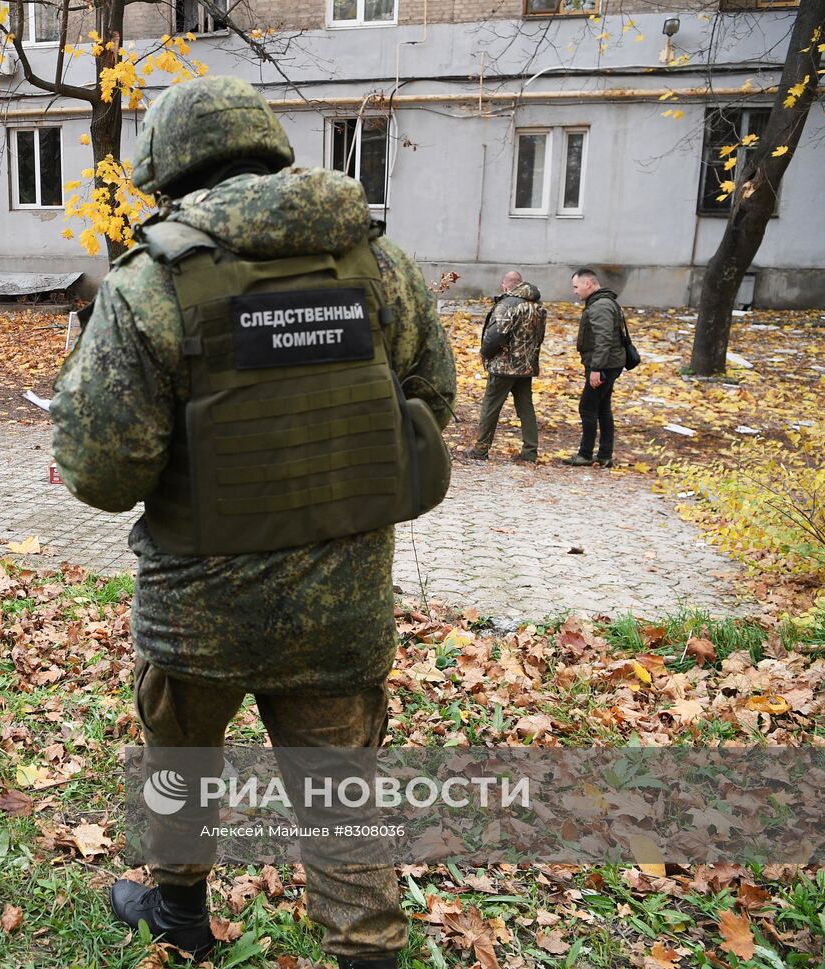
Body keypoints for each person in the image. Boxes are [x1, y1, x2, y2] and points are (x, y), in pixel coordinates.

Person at [50, 76, 456, 969]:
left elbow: (103, 472)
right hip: (340, 608)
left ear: (166, 169)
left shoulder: (151, 283)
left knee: (182, 762)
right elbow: (430, 401)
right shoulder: (378, 264)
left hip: (197, 612)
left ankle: (179, 914)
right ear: (269, 146)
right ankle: (366, 953)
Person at [471, 272, 546, 462]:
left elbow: (495, 336)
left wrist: (485, 353)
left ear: (505, 286)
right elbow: (539, 336)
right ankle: (530, 451)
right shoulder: (537, 306)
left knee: (491, 406)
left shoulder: (507, 305)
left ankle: (481, 449)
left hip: (504, 366)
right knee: (525, 408)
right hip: (526, 366)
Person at [565, 268, 626, 468]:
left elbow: (604, 339)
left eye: (576, 287)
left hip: (604, 366)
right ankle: (605, 454)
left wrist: (596, 369)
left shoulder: (600, 306)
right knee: (602, 408)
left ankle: (585, 454)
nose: (575, 291)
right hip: (610, 364)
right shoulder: (604, 302)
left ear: (588, 284)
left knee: (587, 407)